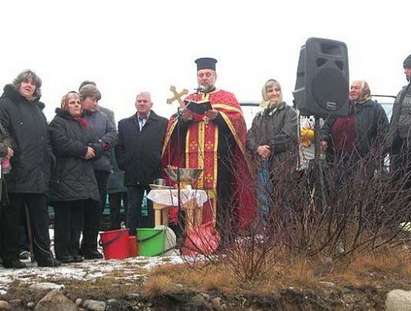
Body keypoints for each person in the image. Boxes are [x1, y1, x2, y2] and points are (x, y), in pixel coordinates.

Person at [162, 57, 255, 237]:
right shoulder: (189, 99)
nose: (204, 78)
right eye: (201, 75)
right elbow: (173, 128)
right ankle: (190, 237)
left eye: (208, 74)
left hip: (220, 162)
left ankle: (222, 236)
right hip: (191, 162)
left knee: (223, 197)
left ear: (215, 76)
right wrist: (184, 119)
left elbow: (239, 124)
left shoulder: (227, 97)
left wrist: (218, 117)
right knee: (190, 196)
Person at [0, 70, 60, 268]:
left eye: (33, 83)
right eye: (25, 81)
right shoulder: (6, 103)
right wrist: (5, 149)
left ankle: (44, 256)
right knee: (12, 217)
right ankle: (10, 257)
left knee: (40, 217)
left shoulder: (37, 109)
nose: (29, 85)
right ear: (18, 84)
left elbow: (47, 140)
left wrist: (49, 159)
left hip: (39, 171)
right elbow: (2, 130)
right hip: (15, 169)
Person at [48, 91, 101, 263]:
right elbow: (61, 143)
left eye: (78, 102)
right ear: (65, 105)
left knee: (77, 217)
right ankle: (63, 251)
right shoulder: (58, 123)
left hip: (83, 176)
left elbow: (94, 142)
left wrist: (93, 149)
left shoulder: (84, 124)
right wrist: (83, 150)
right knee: (64, 217)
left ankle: (74, 249)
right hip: (64, 176)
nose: (77, 105)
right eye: (72, 102)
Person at [115, 92, 167, 236]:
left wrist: (159, 162)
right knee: (132, 210)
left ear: (151, 104)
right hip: (133, 172)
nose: (142, 103)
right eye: (139, 101)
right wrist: (124, 163)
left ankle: (152, 239)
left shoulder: (162, 123)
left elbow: (166, 146)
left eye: (145, 101)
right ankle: (131, 240)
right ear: (135, 103)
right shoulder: (124, 124)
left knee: (154, 210)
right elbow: (119, 147)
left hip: (154, 173)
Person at [246, 79, 298, 222]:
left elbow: (288, 136)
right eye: (270, 91)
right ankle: (265, 236)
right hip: (262, 165)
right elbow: (250, 137)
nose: (274, 93)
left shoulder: (290, 112)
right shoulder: (259, 116)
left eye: (277, 90)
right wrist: (257, 148)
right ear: (265, 94)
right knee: (263, 203)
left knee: (283, 203)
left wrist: (267, 147)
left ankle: (284, 239)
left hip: (283, 165)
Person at [320, 80, 389, 183]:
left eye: (356, 88)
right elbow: (326, 126)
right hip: (336, 159)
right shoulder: (341, 106)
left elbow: (384, 136)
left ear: (365, 91)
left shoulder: (375, 109)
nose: (352, 90)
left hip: (361, 162)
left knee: (357, 193)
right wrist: (323, 138)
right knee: (336, 193)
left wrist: (373, 157)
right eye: (351, 88)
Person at [79, 84, 117, 259]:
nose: (95, 103)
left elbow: (113, 134)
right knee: (81, 208)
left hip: (100, 168)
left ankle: (90, 246)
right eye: (92, 100)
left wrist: (99, 146)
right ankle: (74, 245)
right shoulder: (75, 115)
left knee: (97, 208)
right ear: (83, 98)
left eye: (97, 100)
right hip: (81, 168)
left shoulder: (103, 117)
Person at [387, 54, 411, 183]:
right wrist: (389, 142)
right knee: (397, 183)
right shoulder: (402, 92)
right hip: (399, 146)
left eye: (408, 68)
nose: (405, 71)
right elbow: (394, 119)